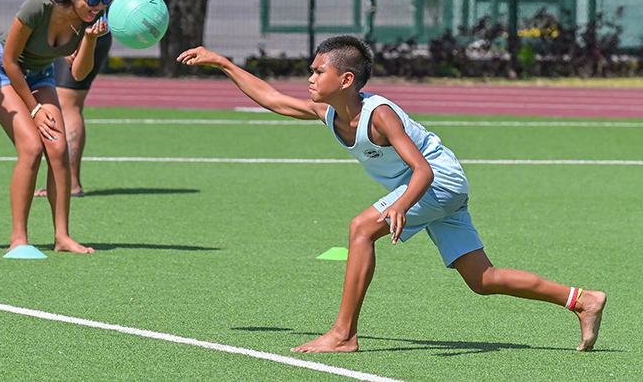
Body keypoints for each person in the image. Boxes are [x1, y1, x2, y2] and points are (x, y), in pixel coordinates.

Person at [177, 35, 606, 353]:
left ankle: (344, 335)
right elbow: (271, 98)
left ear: (345, 79)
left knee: (361, 228)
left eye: (316, 71)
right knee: (482, 280)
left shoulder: (379, 115)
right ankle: (581, 300)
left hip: (438, 180)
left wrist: (400, 204)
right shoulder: (329, 112)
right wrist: (221, 63)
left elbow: (422, 168)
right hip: (432, 187)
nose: (308, 78)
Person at [0, 0, 112, 254]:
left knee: (58, 149)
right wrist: (35, 110)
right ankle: (18, 239)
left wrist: (89, 40)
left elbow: (78, 73)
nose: (99, 6)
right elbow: (10, 61)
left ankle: (62, 237)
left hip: (39, 75)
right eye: (93, 0)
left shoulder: (87, 21)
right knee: (31, 147)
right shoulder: (37, 7)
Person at [26, 0, 109, 199]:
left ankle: (70, 182)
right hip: (52, 35)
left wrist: (72, 41)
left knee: (67, 102)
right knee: (54, 101)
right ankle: (60, 179)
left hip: (76, 33)